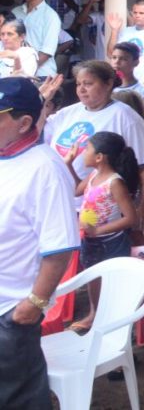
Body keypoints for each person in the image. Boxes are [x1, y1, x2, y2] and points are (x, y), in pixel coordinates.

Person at [0, 77, 78, 409]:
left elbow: (59, 249)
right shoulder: (6, 157)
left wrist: (33, 304)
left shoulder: (46, 169)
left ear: (24, 123)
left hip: (10, 312)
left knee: (18, 398)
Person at [41, 61, 144, 231]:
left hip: (105, 209)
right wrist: (42, 99)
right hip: (63, 202)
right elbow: (36, 131)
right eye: (78, 84)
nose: (81, 89)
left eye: (88, 84)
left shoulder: (125, 116)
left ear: (108, 84)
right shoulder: (68, 113)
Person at [62, 131, 139, 334]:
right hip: (92, 241)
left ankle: (115, 321)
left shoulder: (114, 182)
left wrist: (98, 230)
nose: (83, 153)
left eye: (87, 149)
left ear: (99, 157)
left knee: (112, 282)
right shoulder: (94, 176)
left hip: (111, 242)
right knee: (93, 278)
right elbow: (76, 190)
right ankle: (95, 314)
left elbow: (130, 218)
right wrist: (68, 164)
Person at [110, 41, 144, 143]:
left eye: (123, 59)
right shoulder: (107, 89)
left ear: (136, 62)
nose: (117, 62)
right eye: (114, 57)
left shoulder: (143, 93)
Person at [12, 0, 61, 79]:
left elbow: (47, 51)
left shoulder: (50, 16)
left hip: (42, 75)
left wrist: (27, 70)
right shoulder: (15, 12)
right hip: (15, 73)